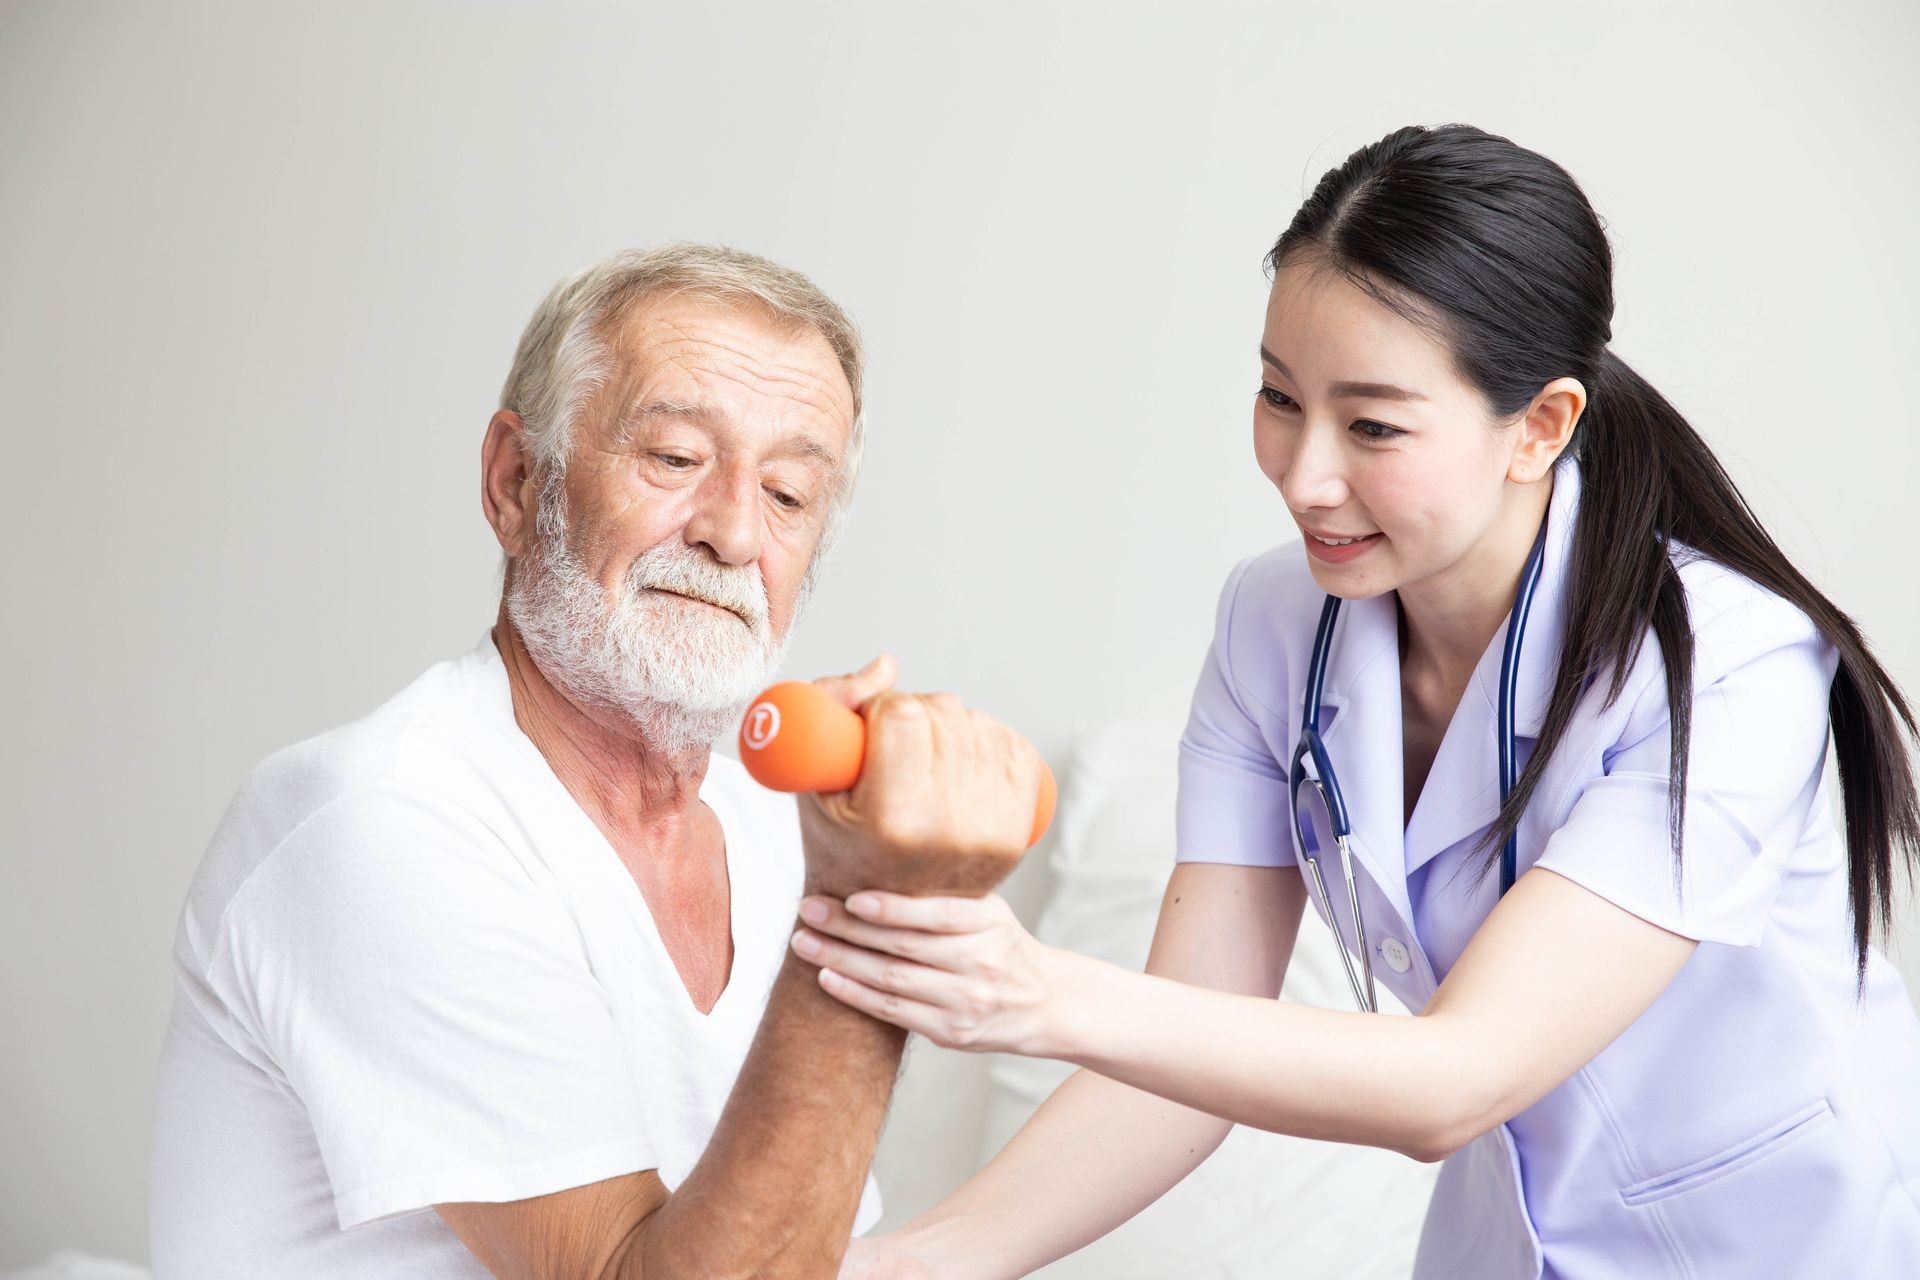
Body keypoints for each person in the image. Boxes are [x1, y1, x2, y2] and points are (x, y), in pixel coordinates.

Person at [800, 125, 1920, 1278]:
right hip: (1507, 1244)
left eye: (1373, 425)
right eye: (1279, 396)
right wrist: (905, 1264)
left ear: (1540, 425)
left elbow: (1455, 1079)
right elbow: (1180, 1067)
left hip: (1779, 1244)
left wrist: (1034, 992)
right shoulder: (1272, 624)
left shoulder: (1727, 662)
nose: (1302, 474)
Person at [148, 242, 1049, 1279]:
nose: (734, 531)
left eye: (792, 493)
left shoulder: (778, 826)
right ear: (517, 481)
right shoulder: (381, 819)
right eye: (673, 458)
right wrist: (861, 908)